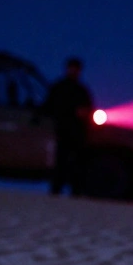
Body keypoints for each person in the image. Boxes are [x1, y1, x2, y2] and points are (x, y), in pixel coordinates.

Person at [41, 56, 94, 195]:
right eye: (72, 68)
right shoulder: (59, 88)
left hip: (77, 133)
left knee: (76, 163)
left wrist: (84, 117)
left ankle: (75, 191)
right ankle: (56, 190)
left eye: (76, 69)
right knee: (61, 162)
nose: (74, 71)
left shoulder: (81, 90)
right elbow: (50, 106)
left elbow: (89, 110)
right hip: (63, 131)